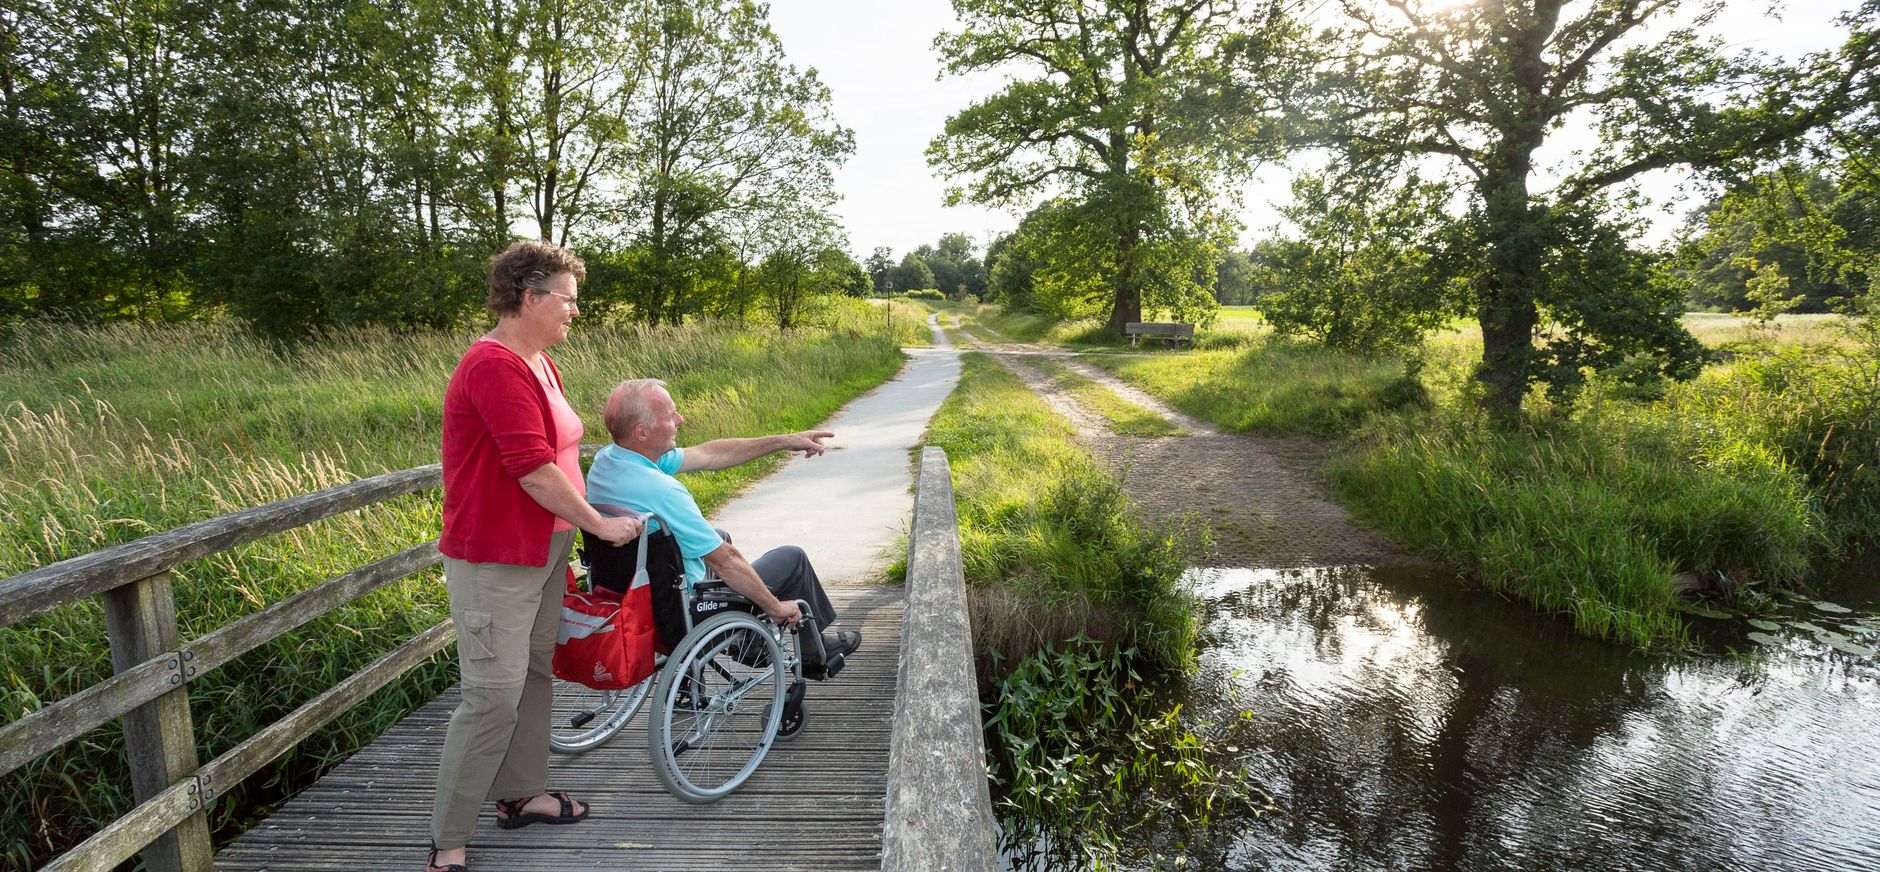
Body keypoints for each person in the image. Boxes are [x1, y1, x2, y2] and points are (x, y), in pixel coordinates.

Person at [427, 242, 642, 872]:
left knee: (535, 672)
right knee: (491, 694)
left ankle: (520, 795)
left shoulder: (540, 362)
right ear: (531, 296)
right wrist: (600, 524)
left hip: (544, 546)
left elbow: (562, 454)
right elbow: (531, 469)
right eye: (569, 301)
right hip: (496, 556)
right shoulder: (493, 366)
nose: (575, 312)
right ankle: (448, 841)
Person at [586, 377, 861, 667]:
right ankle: (815, 654)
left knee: (719, 535)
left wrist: (786, 440)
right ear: (642, 432)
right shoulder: (662, 491)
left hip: (633, 603)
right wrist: (776, 607)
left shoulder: (608, 463)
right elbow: (726, 562)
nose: (680, 419)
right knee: (792, 559)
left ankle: (742, 650)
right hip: (681, 617)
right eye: (670, 415)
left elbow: (710, 453)